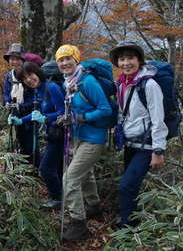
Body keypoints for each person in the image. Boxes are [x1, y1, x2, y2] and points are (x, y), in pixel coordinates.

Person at [55, 44, 112, 241]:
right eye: (60, 60)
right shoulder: (69, 83)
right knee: (86, 175)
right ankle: (94, 206)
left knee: (69, 180)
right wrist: (66, 117)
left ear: (76, 59)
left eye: (68, 58)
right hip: (79, 136)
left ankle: (79, 224)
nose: (64, 63)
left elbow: (106, 110)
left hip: (94, 139)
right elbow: (74, 108)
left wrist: (81, 117)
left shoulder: (88, 81)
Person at [109, 41, 168, 228]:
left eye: (130, 58)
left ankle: (127, 228)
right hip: (130, 143)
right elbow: (123, 112)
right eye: (122, 59)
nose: (126, 63)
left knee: (126, 185)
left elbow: (158, 118)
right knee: (130, 187)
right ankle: (130, 221)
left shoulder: (149, 85)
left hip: (147, 145)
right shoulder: (121, 84)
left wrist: (158, 150)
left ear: (139, 60)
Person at [9, 62, 65, 208]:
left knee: (45, 168)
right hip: (52, 134)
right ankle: (62, 197)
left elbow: (63, 112)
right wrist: (20, 121)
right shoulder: (38, 91)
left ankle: (57, 198)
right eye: (25, 78)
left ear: (37, 72)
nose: (29, 79)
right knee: (56, 168)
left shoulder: (51, 87)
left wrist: (45, 118)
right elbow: (36, 114)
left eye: (30, 75)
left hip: (61, 134)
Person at [3, 43, 39, 166]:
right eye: (12, 59)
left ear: (22, 60)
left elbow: (34, 98)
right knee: (20, 141)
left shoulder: (28, 75)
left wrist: (21, 106)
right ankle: (24, 169)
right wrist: (8, 103)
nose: (14, 62)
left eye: (17, 59)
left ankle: (34, 168)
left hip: (31, 115)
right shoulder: (8, 77)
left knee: (32, 143)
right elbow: (6, 94)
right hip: (15, 114)